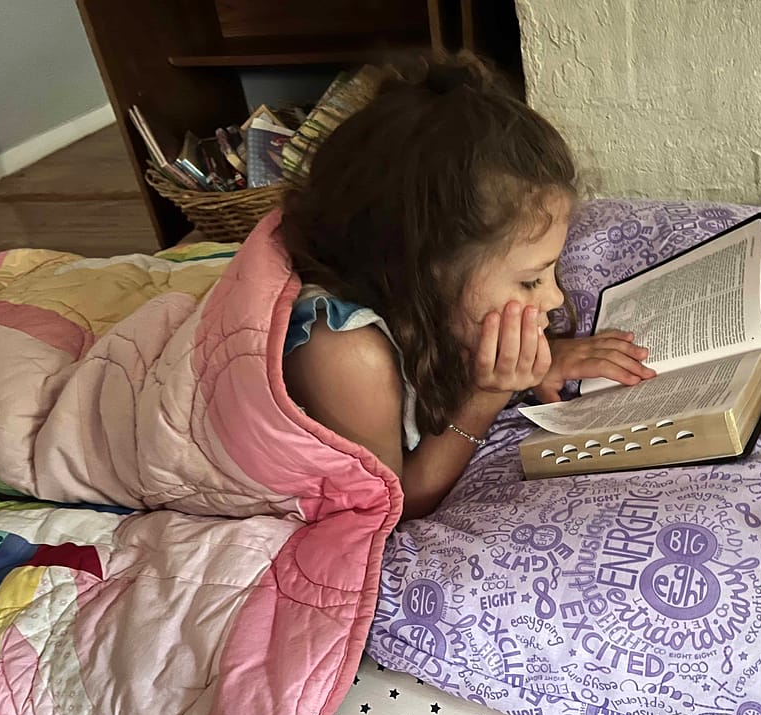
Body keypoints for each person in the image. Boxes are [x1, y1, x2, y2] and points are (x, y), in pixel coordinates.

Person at [278, 51, 655, 520]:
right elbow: (391, 507)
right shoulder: (344, 353)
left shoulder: (420, 303)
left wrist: (539, 364)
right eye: (530, 280)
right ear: (424, 272)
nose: (555, 297)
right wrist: (485, 398)